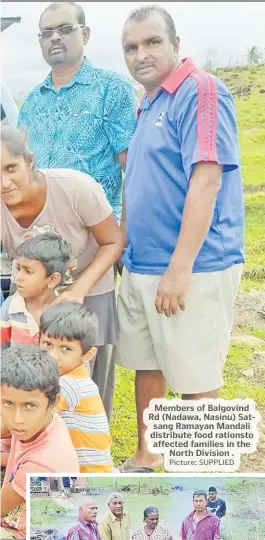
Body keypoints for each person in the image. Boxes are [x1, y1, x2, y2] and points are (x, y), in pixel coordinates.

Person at [116, 4, 245, 471]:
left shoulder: (201, 90)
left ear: (176, 44)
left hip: (196, 266)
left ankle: (197, 478)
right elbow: (139, 180)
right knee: (148, 365)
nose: (141, 54)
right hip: (143, 264)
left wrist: (180, 267)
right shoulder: (148, 101)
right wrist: (125, 243)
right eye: (131, 47)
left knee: (195, 371)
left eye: (152, 42)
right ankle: (148, 456)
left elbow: (207, 179)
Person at [1, 126, 124, 421]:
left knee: (85, 382)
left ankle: (88, 449)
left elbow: (113, 241)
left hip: (89, 291)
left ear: (30, 162)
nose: (4, 182)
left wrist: (77, 290)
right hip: (32, 299)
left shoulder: (75, 188)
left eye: (11, 168)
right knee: (29, 379)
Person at [18, 1, 137, 224]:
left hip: (95, 233)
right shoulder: (32, 102)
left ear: (85, 34)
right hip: (39, 233)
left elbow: (134, 169)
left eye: (65, 29)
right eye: (46, 32)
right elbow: (22, 171)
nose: (54, 37)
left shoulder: (111, 89)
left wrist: (123, 233)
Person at [1, 345, 79, 539]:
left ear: (54, 403)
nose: (17, 419)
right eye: (8, 403)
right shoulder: (44, 421)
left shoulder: (40, 465)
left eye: (29, 406)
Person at [39, 301, 113, 473]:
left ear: (88, 354)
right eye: (47, 344)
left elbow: (31, 422)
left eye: (65, 349)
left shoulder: (67, 384)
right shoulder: (73, 373)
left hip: (85, 476)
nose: (52, 356)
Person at [1, 233, 72, 350]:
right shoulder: (9, 308)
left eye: (28, 271)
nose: (18, 277)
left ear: (52, 280)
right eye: (18, 268)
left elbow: (77, 360)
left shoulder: (67, 313)